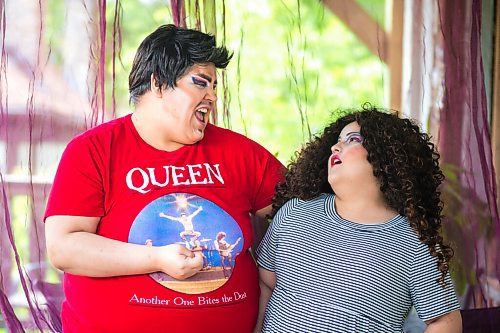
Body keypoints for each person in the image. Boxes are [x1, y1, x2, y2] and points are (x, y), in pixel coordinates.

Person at [44, 24, 284, 333]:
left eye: (214, 86)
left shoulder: (243, 154)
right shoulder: (93, 151)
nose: (212, 96)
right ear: (159, 84)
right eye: (201, 82)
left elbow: (298, 220)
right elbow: (64, 247)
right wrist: (156, 258)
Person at [255, 106, 462, 332]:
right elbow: (266, 282)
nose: (336, 146)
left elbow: (446, 321)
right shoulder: (294, 213)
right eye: (337, 140)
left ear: (386, 158)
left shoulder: (413, 244)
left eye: (353, 139)